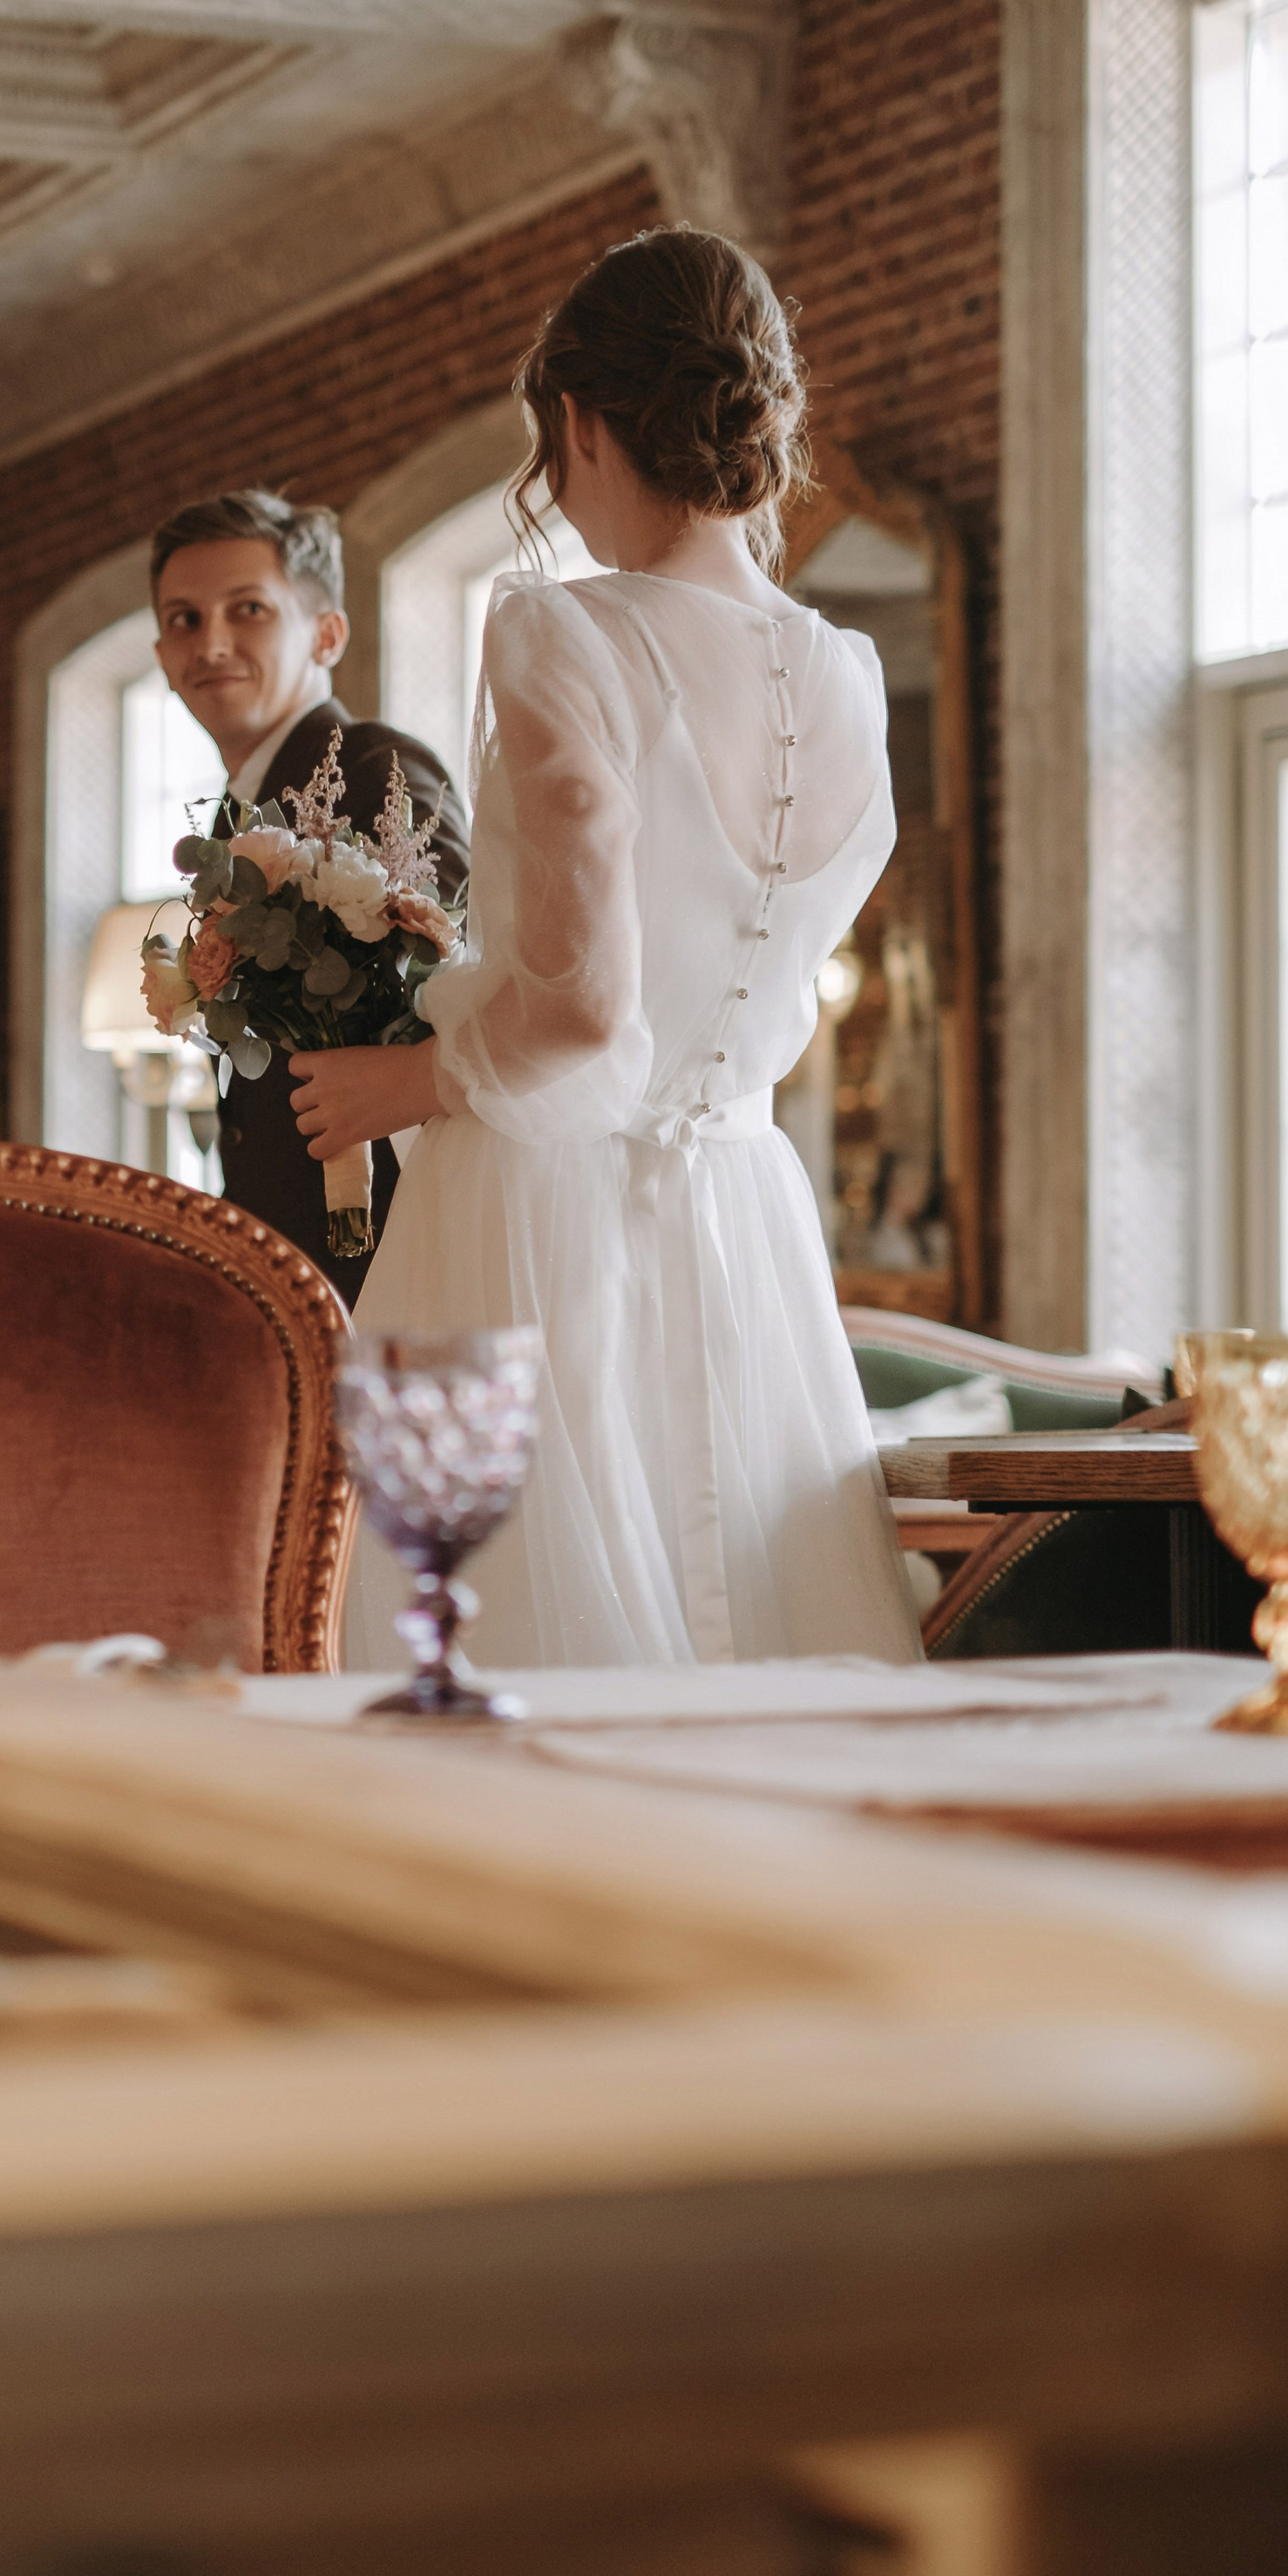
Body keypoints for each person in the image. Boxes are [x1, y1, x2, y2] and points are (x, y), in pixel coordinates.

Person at [288, 230, 920, 1664]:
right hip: (745, 1216)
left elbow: (579, 1012)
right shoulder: (849, 675)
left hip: (538, 1216)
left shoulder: (565, 634)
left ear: (577, 422)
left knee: (497, 1672)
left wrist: (415, 1080)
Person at [148, 487, 469, 1307]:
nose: (210, 642)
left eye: (246, 609)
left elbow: (460, 969)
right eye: (183, 619)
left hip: (390, 1247)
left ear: (327, 634)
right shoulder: (231, 816)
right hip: (285, 1253)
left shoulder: (377, 768)